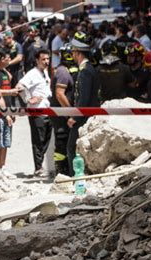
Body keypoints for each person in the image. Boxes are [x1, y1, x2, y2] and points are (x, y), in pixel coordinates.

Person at [17, 49, 53, 177]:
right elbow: (19, 86)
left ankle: (41, 165)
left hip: (47, 110)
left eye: (47, 59)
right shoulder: (32, 74)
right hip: (36, 112)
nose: (46, 62)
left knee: (46, 140)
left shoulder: (45, 72)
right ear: (37, 60)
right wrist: (28, 99)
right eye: (43, 59)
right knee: (38, 141)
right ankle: (38, 168)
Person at [69, 31, 99, 175]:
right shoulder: (86, 69)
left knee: (72, 149)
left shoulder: (86, 71)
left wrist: (75, 117)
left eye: (73, 51)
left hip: (83, 118)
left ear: (77, 53)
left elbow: (84, 98)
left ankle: (76, 180)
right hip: (85, 116)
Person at [50, 43, 77, 176]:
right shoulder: (63, 72)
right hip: (61, 116)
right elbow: (60, 94)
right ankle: (61, 171)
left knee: (64, 141)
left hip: (61, 114)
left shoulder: (63, 70)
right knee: (61, 142)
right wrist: (71, 113)